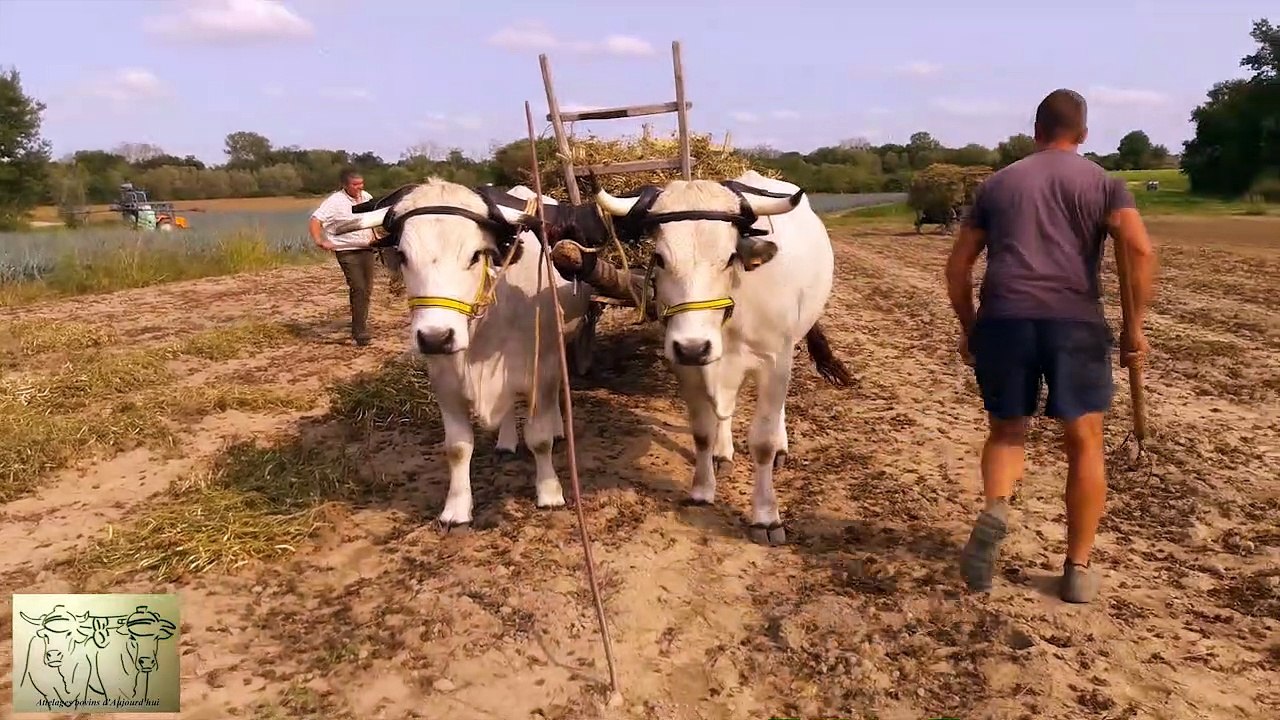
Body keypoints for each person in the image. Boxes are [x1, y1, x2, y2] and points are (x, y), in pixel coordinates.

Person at [944, 88, 1157, 603]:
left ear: (1035, 131)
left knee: (1007, 430)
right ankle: (1077, 570)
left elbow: (958, 267)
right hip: (1075, 322)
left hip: (1006, 319)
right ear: (1082, 134)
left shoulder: (997, 184)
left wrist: (970, 326)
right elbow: (1138, 250)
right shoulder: (1105, 184)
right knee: (1084, 441)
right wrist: (1136, 326)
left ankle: (997, 505)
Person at [309, 167, 400, 346]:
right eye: (355, 184)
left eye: (361, 183)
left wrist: (375, 236)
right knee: (358, 287)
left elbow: (371, 219)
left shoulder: (366, 196)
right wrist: (319, 241)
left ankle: (360, 323)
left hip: (366, 249)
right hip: (346, 251)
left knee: (367, 289)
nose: (359, 187)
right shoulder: (334, 201)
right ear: (345, 185)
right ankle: (360, 332)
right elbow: (315, 220)